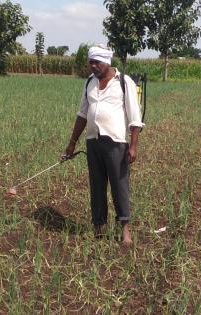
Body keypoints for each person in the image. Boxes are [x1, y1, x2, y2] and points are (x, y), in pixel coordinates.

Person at [64, 45, 144, 245]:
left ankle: (125, 231)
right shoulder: (90, 83)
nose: (93, 66)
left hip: (116, 142)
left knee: (119, 186)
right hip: (93, 142)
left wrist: (133, 146)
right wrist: (72, 143)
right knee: (97, 186)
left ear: (107, 62)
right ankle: (99, 228)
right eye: (90, 62)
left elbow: (135, 117)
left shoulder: (124, 83)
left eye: (96, 62)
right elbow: (82, 114)